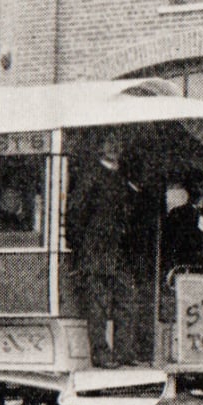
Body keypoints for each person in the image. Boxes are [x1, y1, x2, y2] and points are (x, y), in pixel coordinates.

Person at [66, 132, 139, 367]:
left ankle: (124, 352)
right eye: (109, 141)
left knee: (127, 298)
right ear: (100, 146)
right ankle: (101, 354)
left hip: (117, 250)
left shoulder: (121, 178)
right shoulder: (92, 176)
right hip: (96, 250)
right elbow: (76, 214)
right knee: (97, 303)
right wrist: (82, 247)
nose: (115, 145)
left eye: (118, 141)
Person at [162, 168, 203, 274]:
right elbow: (170, 245)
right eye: (194, 185)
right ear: (187, 188)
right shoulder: (177, 214)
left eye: (202, 185)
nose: (198, 189)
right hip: (184, 269)